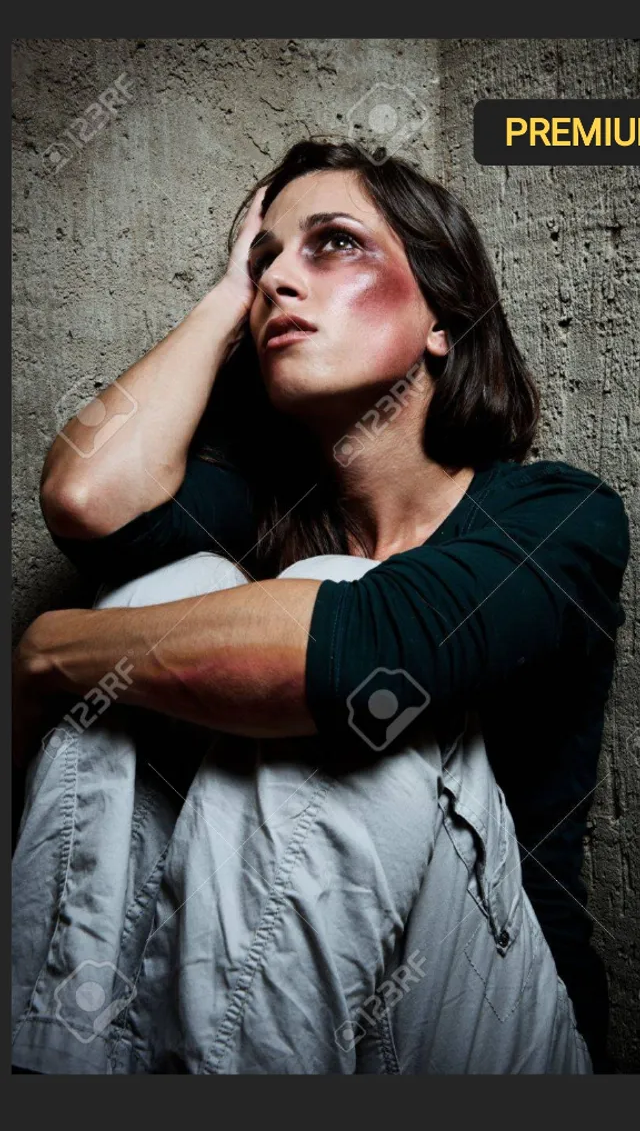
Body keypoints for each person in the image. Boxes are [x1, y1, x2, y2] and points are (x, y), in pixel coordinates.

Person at [12, 138, 629, 1074]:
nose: (280, 283)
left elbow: (367, 655)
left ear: (441, 320)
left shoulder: (556, 515)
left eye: (333, 244)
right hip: (279, 1008)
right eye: (266, 261)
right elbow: (86, 500)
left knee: (330, 608)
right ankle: (54, 1070)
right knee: (166, 592)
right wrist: (225, 300)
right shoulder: (253, 511)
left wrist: (55, 649)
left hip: (492, 1025)